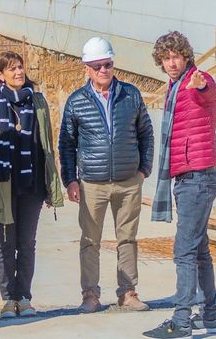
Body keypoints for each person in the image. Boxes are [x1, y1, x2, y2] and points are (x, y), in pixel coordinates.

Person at [58, 36, 154, 314]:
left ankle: (128, 292)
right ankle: (90, 294)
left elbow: (145, 132)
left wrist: (143, 170)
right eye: (98, 65)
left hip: (128, 181)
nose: (104, 70)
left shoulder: (130, 94)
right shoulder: (76, 101)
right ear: (87, 68)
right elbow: (67, 143)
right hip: (92, 183)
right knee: (90, 241)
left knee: (128, 238)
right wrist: (70, 180)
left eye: (108, 64)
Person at [0, 52, 64, 319]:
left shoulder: (38, 102)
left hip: (32, 184)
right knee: (4, 244)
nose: (18, 72)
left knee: (27, 243)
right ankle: (8, 299)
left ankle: (24, 297)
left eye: (20, 67)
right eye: (11, 69)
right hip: (2, 186)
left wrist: (50, 182)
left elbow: (47, 144)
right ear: (0, 75)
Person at [143, 32, 216, 339]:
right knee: (199, 250)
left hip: (197, 176)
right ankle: (210, 315)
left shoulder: (195, 81)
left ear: (187, 56)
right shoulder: (174, 87)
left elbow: (211, 93)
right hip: (188, 176)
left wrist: (202, 85)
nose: (171, 62)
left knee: (184, 251)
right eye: (166, 58)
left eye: (176, 56)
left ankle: (182, 320)